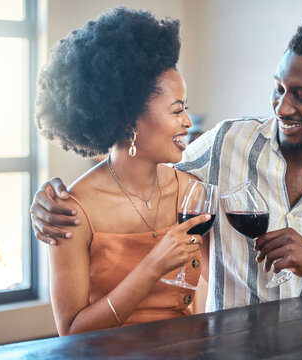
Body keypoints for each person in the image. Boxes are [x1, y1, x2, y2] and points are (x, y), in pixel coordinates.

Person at [31, 16, 302, 313]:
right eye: (278, 88)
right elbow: (135, 164)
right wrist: (54, 194)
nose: (282, 107)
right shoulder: (229, 143)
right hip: (226, 348)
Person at [32, 7, 211, 335]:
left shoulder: (192, 191)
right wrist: (154, 265)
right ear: (130, 120)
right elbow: (72, 332)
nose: (188, 121)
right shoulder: (72, 210)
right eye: (177, 110)